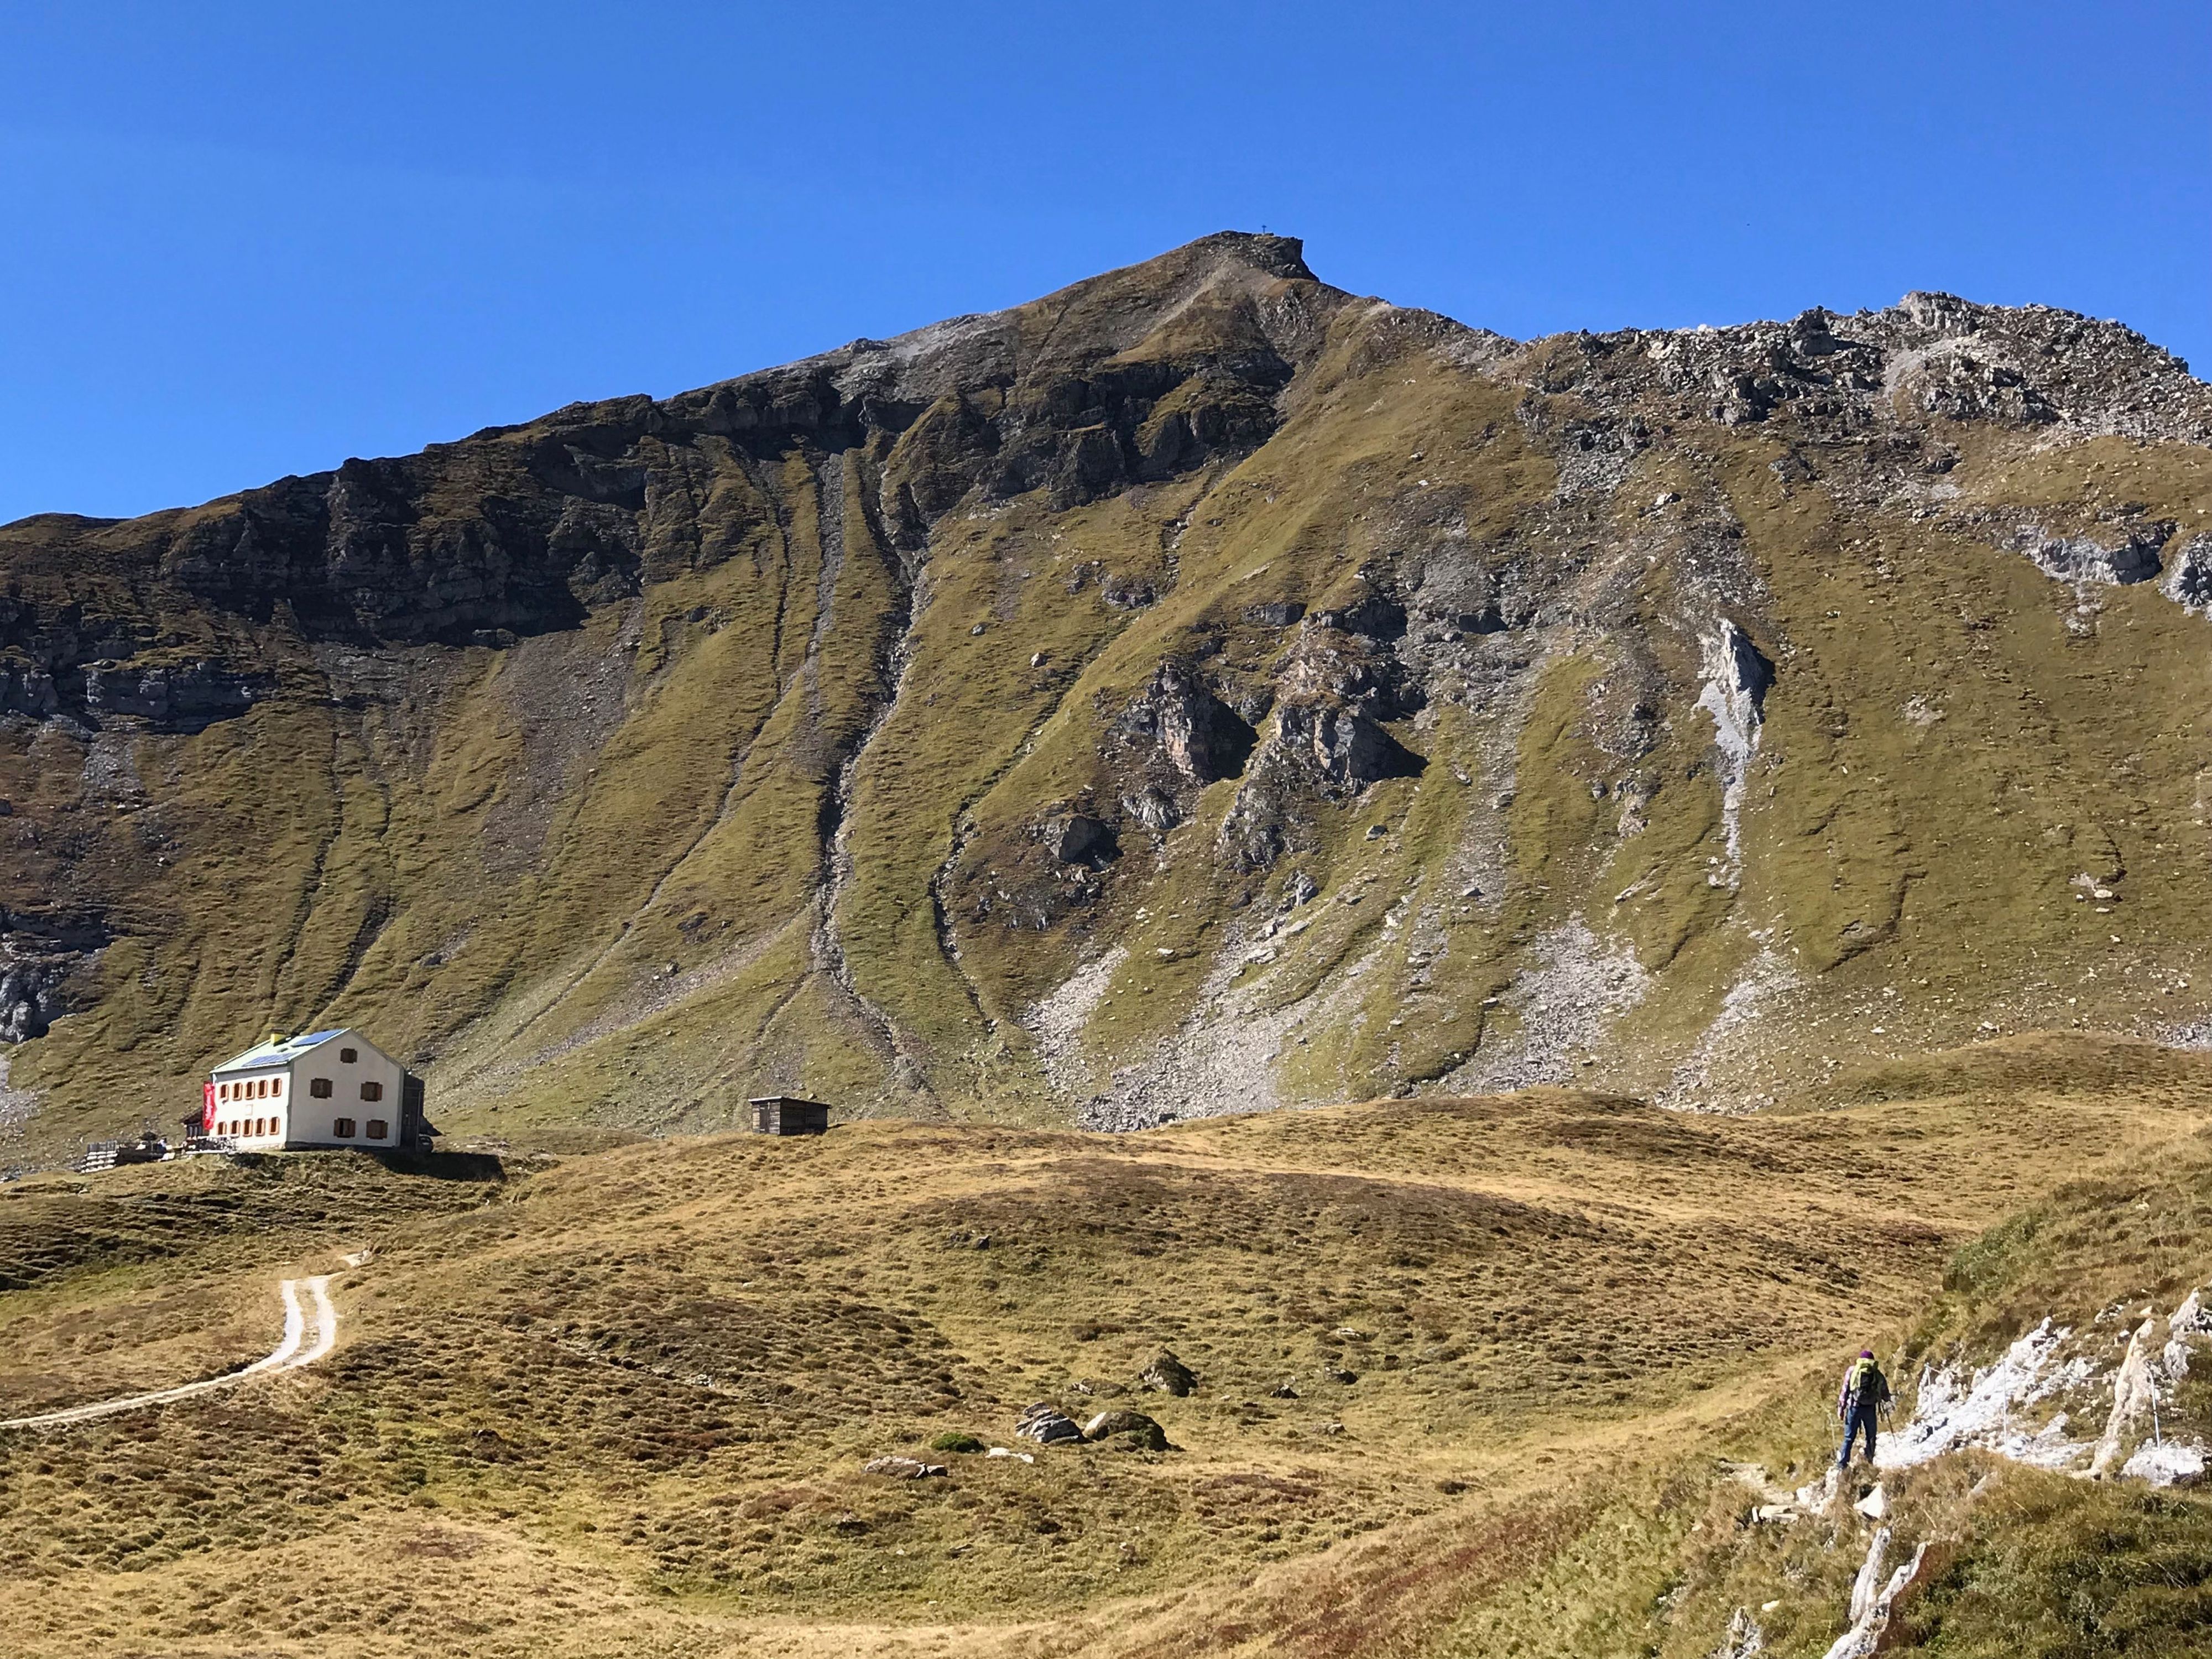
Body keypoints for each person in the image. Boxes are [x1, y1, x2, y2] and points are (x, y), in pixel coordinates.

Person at [1837, 1348, 1892, 1469]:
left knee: (1849, 1437)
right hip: (1870, 1408)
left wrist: (1841, 1408)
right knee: (1871, 1436)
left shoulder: (1853, 1371)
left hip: (1854, 1407)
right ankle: (1870, 1460)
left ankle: (1843, 1464)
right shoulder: (1876, 1373)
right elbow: (1884, 1390)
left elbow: (1845, 1390)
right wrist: (1887, 1398)